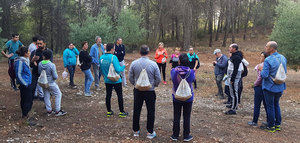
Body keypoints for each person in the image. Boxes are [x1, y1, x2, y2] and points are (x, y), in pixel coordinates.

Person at [128, 45, 161, 139]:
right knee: (151, 111)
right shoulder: (153, 64)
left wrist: (135, 84)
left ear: (140, 52)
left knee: (136, 110)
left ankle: (136, 131)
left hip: (138, 90)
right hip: (150, 91)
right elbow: (158, 78)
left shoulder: (134, 63)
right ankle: (150, 132)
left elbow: (130, 77)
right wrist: (153, 85)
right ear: (148, 52)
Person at [260, 41, 287, 132]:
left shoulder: (268, 60)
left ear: (271, 48)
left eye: (266, 46)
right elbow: (284, 71)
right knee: (276, 105)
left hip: (269, 87)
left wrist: (261, 69)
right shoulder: (283, 58)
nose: (265, 47)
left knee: (270, 106)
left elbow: (264, 75)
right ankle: (277, 125)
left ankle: (271, 126)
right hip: (280, 86)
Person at [170, 53, 195, 142]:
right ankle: (186, 135)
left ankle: (175, 135)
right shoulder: (191, 72)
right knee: (187, 116)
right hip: (188, 97)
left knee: (176, 116)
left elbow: (173, 80)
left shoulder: (174, 71)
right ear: (188, 61)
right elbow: (192, 80)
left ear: (179, 61)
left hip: (176, 96)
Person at [100, 43, 128, 118]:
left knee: (108, 95)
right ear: (112, 49)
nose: (114, 50)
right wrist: (124, 66)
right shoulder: (113, 57)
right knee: (119, 95)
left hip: (107, 79)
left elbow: (101, 69)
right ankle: (121, 112)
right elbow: (118, 69)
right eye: (114, 48)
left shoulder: (101, 57)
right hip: (116, 80)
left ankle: (109, 111)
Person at [39, 50, 67, 116]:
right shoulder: (51, 65)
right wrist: (54, 79)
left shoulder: (40, 64)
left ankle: (49, 110)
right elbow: (55, 76)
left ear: (43, 56)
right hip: (51, 83)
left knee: (46, 95)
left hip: (43, 83)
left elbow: (39, 73)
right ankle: (57, 110)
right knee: (58, 94)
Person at [248, 52, 269, 126]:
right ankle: (269, 120)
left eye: (262, 56)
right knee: (266, 104)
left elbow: (260, 77)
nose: (261, 58)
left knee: (257, 105)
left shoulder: (261, 65)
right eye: (260, 56)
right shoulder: (269, 65)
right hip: (267, 87)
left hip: (260, 87)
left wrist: (255, 84)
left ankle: (254, 121)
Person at [14, 46, 32, 118]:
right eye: (28, 52)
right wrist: (25, 83)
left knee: (27, 99)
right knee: (25, 99)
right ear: (25, 53)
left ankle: (26, 114)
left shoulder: (24, 60)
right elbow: (18, 74)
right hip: (24, 84)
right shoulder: (20, 61)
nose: (29, 53)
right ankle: (25, 115)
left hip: (27, 82)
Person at [225, 43, 244, 115]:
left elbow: (235, 69)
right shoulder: (234, 56)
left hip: (234, 77)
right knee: (232, 92)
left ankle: (234, 108)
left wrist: (232, 79)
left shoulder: (237, 57)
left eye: (230, 47)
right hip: (231, 76)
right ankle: (233, 104)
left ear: (234, 49)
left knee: (234, 92)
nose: (229, 49)